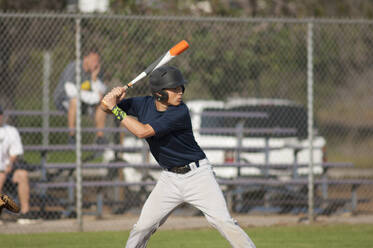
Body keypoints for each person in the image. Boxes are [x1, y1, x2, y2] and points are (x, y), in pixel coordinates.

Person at [101, 65, 256, 248]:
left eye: (181, 87)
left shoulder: (179, 111)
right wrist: (113, 99)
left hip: (198, 176)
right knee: (142, 227)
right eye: (174, 89)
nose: (180, 92)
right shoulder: (143, 104)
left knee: (223, 222)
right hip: (169, 178)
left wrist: (115, 108)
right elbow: (105, 108)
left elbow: (142, 132)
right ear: (159, 93)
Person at [53, 47, 108, 145]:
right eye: (93, 60)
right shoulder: (74, 67)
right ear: (85, 58)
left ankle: (100, 137)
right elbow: (71, 91)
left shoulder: (96, 71)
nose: (96, 63)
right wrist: (94, 97)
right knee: (74, 100)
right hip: (64, 101)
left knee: (102, 105)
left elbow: (102, 91)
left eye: (97, 61)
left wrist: (94, 78)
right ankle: (72, 136)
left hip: (84, 102)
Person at [0, 105, 33, 224]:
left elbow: (15, 152)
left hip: (8, 169)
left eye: (0, 114)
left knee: (22, 174)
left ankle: (25, 213)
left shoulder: (10, 130)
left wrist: (8, 165)